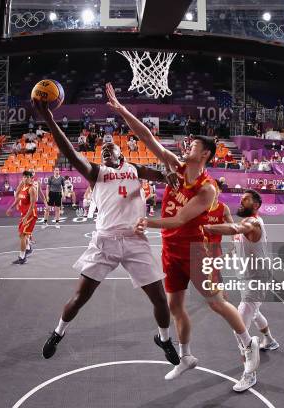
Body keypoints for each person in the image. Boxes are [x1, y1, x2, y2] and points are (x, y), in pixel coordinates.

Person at [105, 83, 260, 382]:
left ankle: (247, 342)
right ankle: (186, 356)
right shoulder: (175, 168)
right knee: (175, 305)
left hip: (198, 250)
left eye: (194, 146)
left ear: (205, 156)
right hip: (171, 250)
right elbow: (146, 137)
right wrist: (123, 110)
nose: (187, 146)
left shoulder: (207, 189)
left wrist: (146, 222)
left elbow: (178, 220)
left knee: (215, 302)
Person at [33, 98, 180, 367]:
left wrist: (167, 176)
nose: (104, 153)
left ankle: (164, 339)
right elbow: (70, 152)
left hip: (135, 240)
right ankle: (58, 333)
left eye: (109, 150)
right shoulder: (95, 172)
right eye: (102, 151)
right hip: (105, 242)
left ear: (121, 155)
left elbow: (159, 174)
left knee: (160, 299)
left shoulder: (134, 169)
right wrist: (50, 120)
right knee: (80, 297)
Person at [203, 190, 280, 391]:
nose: (241, 200)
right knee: (255, 312)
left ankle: (250, 374)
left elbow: (235, 228)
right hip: (248, 277)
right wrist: (223, 258)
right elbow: (236, 244)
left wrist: (207, 227)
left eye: (245, 199)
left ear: (255, 206)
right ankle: (270, 340)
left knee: (239, 326)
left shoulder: (252, 223)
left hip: (257, 279)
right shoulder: (245, 228)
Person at [6, 171, 39, 264]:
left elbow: (32, 205)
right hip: (24, 214)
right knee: (22, 234)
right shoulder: (23, 187)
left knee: (22, 235)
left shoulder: (32, 189)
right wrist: (11, 208)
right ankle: (27, 248)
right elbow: (18, 199)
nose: (24, 179)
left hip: (31, 214)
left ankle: (22, 257)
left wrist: (26, 217)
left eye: (26, 177)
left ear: (29, 178)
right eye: (23, 177)